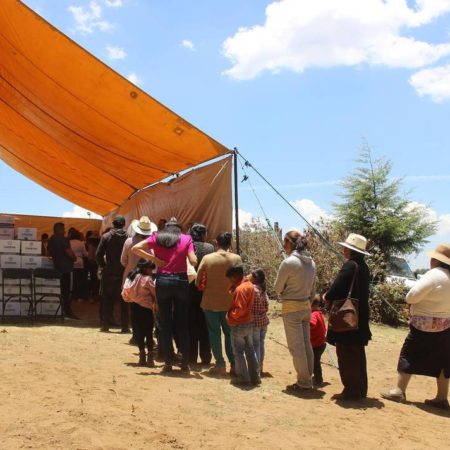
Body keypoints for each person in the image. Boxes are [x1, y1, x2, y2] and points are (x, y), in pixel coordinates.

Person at [381, 244, 450, 411]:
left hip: (422, 324)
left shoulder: (433, 275)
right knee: (444, 361)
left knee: (409, 354)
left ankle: (399, 390)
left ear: (436, 260)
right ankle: (442, 397)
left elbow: (411, 296)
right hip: (446, 325)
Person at [132, 218, 197, 373]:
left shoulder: (156, 237)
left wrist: (154, 259)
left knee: (165, 323)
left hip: (163, 281)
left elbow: (136, 248)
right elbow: (193, 261)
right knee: (182, 323)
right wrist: (188, 258)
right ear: (179, 229)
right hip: (181, 281)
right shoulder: (186, 239)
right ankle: (185, 363)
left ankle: (168, 362)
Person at [324, 233, 372, 401]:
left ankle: (351, 390)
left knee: (346, 353)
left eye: (346, 247)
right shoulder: (363, 267)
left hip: (348, 318)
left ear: (351, 250)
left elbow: (337, 287)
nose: (343, 249)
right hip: (360, 317)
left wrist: (327, 296)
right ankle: (360, 389)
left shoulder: (350, 266)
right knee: (357, 354)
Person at [274, 230, 316, 392]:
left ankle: (304, 382)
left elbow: (277, 288)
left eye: (285, 243)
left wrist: (285, 292)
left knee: (296, 347)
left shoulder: (289, 262)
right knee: (306, 344)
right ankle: (308, 377)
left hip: (291, 307)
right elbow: (313, 290)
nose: (284, 247)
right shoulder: (311, 262)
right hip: (306, 306)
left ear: (290, 243)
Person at [196, 232, 242, 375]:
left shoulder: (207, 258)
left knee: (214, 333)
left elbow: (198, 281)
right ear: (230, 243)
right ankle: (234, 364)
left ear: (216, 243)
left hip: (210, 302)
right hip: (230, 303)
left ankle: (220, 364)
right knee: (230, 334)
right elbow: (241, 280)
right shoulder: (236, 258)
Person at [121, 216, 157, 344]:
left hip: (131, 278)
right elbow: (154, 263)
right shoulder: (152, 244)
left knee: (133, 308)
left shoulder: (128, 242)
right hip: (146, 280)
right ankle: (147, 336)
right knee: (147, 308)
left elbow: (123, 260)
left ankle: (136, 335)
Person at [226, 264, 259, 386]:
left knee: (238, 352)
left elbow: (239, 310)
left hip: (239, 324)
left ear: (234, 277)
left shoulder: (240, 289)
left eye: (230, 279)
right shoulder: (249, 285)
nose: (229, 281)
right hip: (249, 323)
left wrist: (229, 315)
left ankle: (243, 377)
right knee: (250, 350)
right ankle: (254, 377)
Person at [96, 216, 129, 333]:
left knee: (107, 299)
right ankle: (125, 327)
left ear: (113, 224)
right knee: (125, 301)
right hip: (123, 272)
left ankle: (106, 325)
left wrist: (103, 266)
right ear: (124, 224)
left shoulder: (106, 236)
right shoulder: (128, 237)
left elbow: (98, 254)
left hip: (109, 272)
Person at [122, 259, 157, 367]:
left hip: (134, 307)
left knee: (139, 332)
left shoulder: (132, 276)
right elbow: (154, 293)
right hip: (146, 309)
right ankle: (150, 358)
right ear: (145, 268)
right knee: (149, 333)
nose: (152, 271)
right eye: (151, 268)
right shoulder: (147, 279)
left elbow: (125, 290)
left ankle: (142, 357)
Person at [188, 223, 214, 366]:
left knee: (191, 325)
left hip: (189, 291)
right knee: (205, 326)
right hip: (205, 292)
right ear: (203, 234)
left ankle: (191, 356)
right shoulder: (209, 248)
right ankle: (206, 357)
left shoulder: (187, 246)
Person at [47, 222, 78, 319]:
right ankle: (67, 312)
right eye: (63, 229)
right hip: (66, 268)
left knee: (61, 290)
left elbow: (48, 252)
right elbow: (69, 253)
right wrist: (74, 258)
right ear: (60, 230)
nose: (65, 231)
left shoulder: (51, 239)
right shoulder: (63, 239)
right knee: (67, 291)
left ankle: (62, 311)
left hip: (57, 267)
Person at [249, 268, 270, 376]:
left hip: (255, 322)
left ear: (255, 278)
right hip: (263, 321)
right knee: (261, 344)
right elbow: (266, 306)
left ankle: (255, 370)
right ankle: (260, 367)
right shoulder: (263, 289)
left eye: (250, 274)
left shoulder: (252, 289)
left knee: (255, 345)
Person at [310, 296, 327, 385]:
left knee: (315, 362)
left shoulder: (313, 314)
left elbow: (312, 324)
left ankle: (318, 379)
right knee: (315, 361)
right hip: (321, 343)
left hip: (316, 344)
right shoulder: (319, 313)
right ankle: (316, 376)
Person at [69, 228, 89, 302]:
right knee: (80, 280)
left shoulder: (68, 242)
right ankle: (80, 297)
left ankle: (72, 295)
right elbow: (85, 254)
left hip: (70, 263)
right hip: (80, 263)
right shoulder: (81, 243)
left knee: (72, 280)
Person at [85, 230, 100, 302]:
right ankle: (96, 296)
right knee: (98, 281)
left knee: (93, 280)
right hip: (99, 264)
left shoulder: (91, 245)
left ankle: (92, 296)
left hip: (93, 264)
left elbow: (90, 257)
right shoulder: (100, 244)